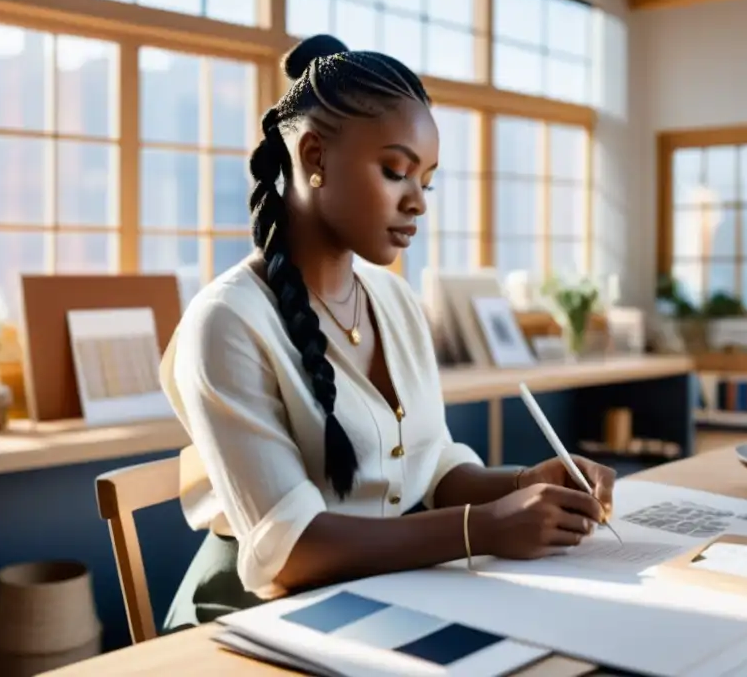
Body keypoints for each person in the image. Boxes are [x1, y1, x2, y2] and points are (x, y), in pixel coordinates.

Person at [159, 34, 617, 631]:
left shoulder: (395, 301)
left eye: (426, 181)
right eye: (396, 171)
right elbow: (290, 550)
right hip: (260, 621)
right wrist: (484, 527)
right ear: (315, 158)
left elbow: (432, 472)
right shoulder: (226, 322)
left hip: (391, 595)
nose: (418, 203)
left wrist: (526, 482)